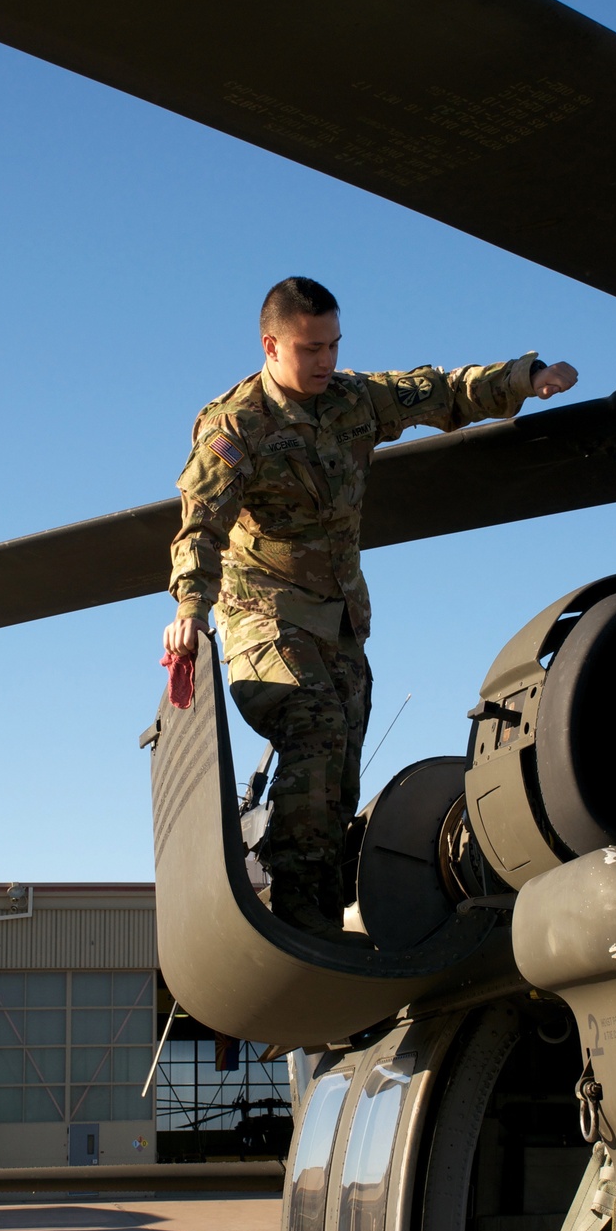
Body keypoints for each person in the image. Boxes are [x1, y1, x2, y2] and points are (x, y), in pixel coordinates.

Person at [163, 277, 577, 943]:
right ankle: (297, 911)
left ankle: (322, 915)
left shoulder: (354, 400)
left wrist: (524, 377)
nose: (325, 360)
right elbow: (200, 525)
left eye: (333, 345)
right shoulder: (236, 424)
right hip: (262, 615)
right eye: (310, 348)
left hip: (340, 620)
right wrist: (190, 606)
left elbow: (438, 392)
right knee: (318, 728)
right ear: (271, 346)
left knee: (342, 770)